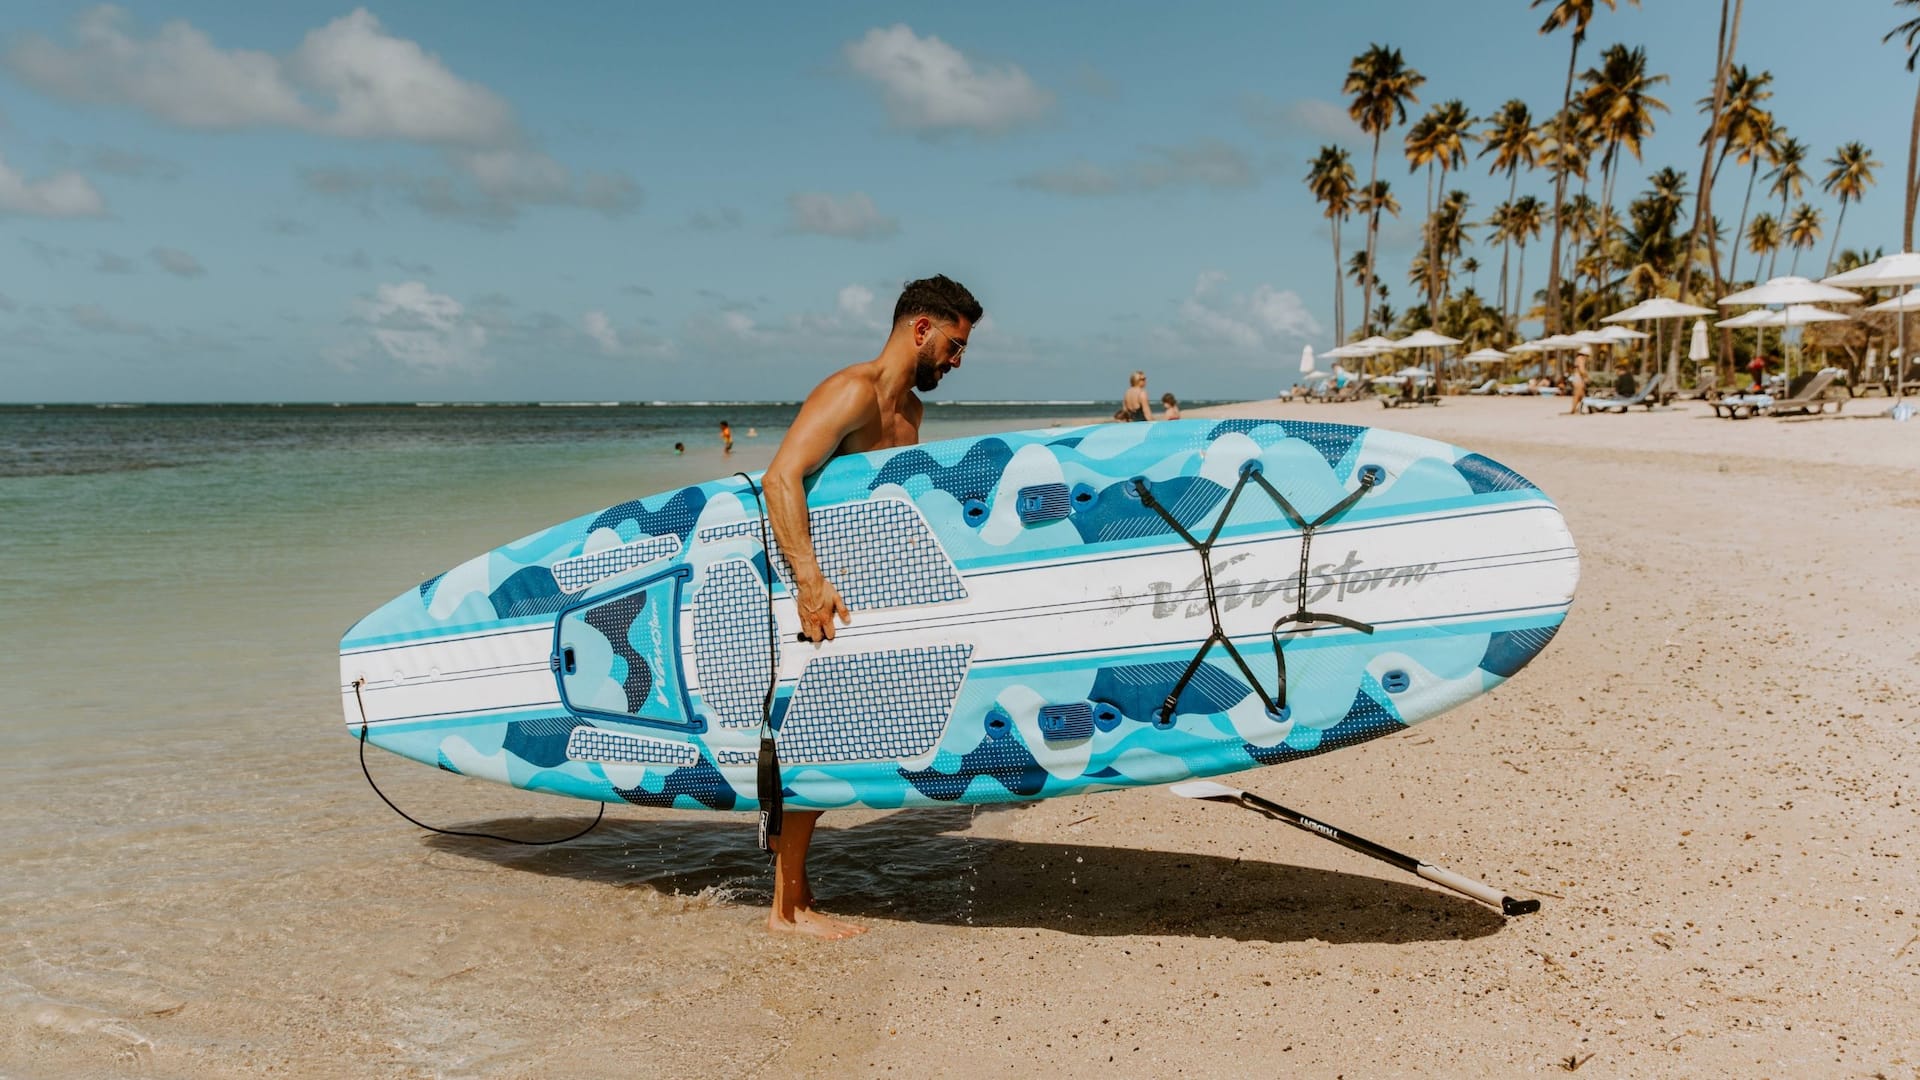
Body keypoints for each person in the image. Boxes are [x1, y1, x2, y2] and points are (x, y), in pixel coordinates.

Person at [760, 273, 981, 939]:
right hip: (817, 594)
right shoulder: (851, 392)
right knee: (813, 740)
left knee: (831, 742)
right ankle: (786, 910)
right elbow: (780, 476)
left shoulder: (911, 415)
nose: (957, 358)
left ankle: (795, 899)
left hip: (866, 600)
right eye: (952, 342)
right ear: (920, 329)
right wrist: (808, 581)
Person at [1567, 349, 1590, 414]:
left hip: (1576, 377)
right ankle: (1573, 410)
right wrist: (1586, 377)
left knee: (1581, 394)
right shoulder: (1581, 359)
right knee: (1578, 394)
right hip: (1578, 378)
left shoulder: (1578, 358)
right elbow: (1582, 370)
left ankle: (1577, 409)